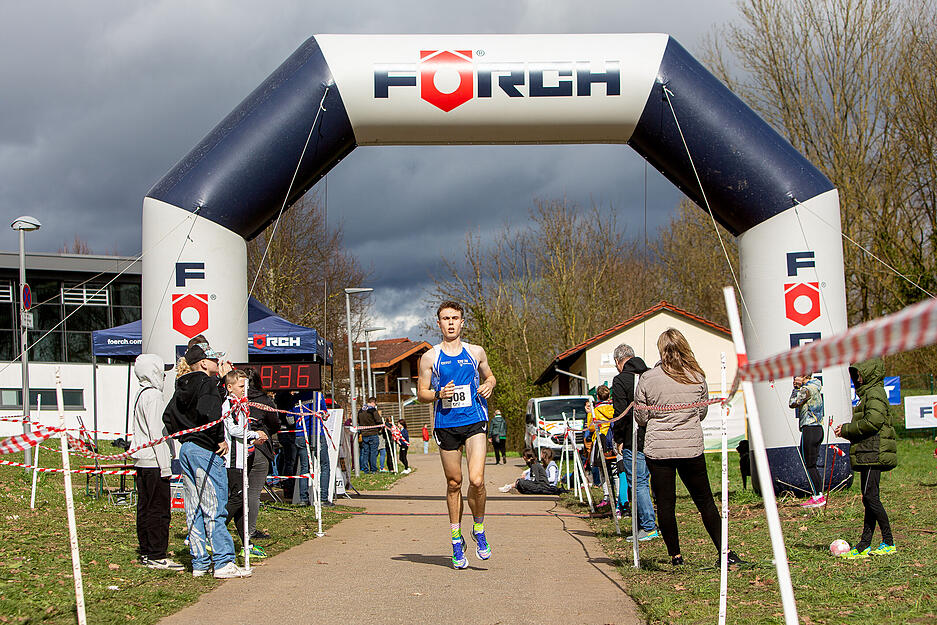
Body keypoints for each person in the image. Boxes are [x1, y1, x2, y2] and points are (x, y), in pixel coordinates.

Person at [634, 328, 742, 568]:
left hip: (658, 451)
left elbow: (640, 418)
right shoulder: (696, 377)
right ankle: (724, 551)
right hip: (690, 448)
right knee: (705, 502)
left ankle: (676, 557)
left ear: (661, 349)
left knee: (665, 504)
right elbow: (701, 413)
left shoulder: (647, 379)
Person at [417, 300, 496, 569]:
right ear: (438, 323)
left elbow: (490, 377)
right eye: (445, 318)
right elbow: (421, 394)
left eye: (455, 318)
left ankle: (479, 528)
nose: (450, 323)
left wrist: (488, 385)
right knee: (454, 483)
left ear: (463, 322)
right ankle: (455, 540)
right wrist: (439, 393)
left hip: (475, 420)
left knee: (476, 480)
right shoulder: (430, 357)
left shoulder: (476, 352)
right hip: (446, 424)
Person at [162, 344, 250, 578]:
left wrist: (185, 436)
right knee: (214, 506)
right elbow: (210, 412)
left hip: (188, 450)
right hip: (204, 449)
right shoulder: (207, 383)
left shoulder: (181, 385)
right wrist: (218, 439)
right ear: (203, 363)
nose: (217, 364)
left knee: (194, 508)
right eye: (213, 360)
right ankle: (223, 561)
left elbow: (168, 417)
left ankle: (199, 562)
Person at [835, 358, 897, 558]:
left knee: (870, 497)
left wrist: (846, 429)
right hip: (869, 450)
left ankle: (888, 541)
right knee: (869, 498)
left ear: (869, 373)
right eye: (856, 374)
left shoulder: (875, 393)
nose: (857, 378)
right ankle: (864, 544)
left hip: (874, 450)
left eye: (860, 373)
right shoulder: (868, 394)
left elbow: (873, 421)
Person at [131, 353, 183, 571]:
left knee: (145, 507)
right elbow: (157, 432)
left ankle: (146, 551)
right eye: (161, 371)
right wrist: (165, 464)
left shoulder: (140, 393)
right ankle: (156, 553)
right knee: (159, 509)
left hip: (142, 459)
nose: (163, 376)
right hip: (153, 461)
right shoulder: (153, 396)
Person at [610, 343, 658, 541]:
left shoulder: (621, 380)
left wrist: (619, 439)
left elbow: (620, 412)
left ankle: (648, 526)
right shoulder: (652, 376)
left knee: (637, 483)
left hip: (633, 437)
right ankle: (649, 524)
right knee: (652, 482)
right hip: (657, 435)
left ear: (618, 362)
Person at [220, 370, 268, 559]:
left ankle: (246, 544)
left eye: (246, 387)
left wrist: (252, 439)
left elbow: (243, 430)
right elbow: (232, 429)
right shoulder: (229, 404)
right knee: (238, 499)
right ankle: (214, 533)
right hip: (232, 461)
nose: (244, 390)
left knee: (242, 504)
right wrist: (255, 434)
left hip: (242, 458)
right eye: (241, 387)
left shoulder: (242, 405)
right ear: (230, 387)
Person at [245, 368, 279, 539]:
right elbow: (275, 423)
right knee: (253, 492)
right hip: (258, 448)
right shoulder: (264, 400)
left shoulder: (234, 400)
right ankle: (249, 530)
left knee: (236, 492)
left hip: (236, 448)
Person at [789, 373, 826, 507]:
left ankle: (817, 496)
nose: (794, 380)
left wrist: (796, 389)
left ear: (804, 377)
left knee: (809, 464)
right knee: (813, 464)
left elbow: (793, 403)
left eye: (796, 377)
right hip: (818, 429)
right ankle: (819, 494)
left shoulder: (806, 389)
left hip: (809, 429)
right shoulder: (816, 386)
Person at [274, 390, 299, 500]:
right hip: (288, 432)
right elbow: (290, 419)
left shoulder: (278, 398)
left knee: (286, 459)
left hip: (284, 432)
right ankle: (289, 487)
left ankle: (287, 485)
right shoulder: (286, 398)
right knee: (290, 461)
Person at [357, 397, 381, 473]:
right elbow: (379, 421)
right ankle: (373, 469)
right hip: (373, 433)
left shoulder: (361, 411)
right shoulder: (373, 410)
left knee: (365, 452)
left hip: (364, 434)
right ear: (373, 403)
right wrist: (378, 429)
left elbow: (359, 421)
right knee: (373, 452)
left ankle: (365, 469)